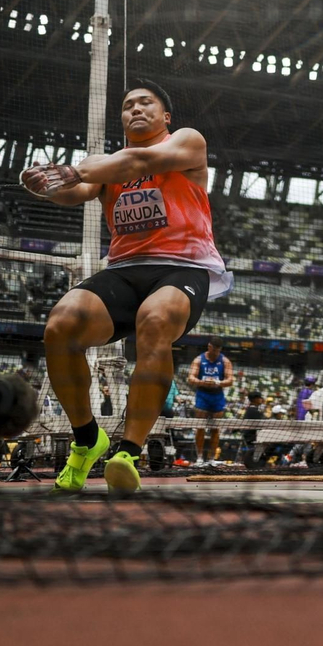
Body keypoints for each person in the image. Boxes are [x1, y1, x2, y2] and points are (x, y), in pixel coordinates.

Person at [24, 79, 231, 494]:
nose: (135, 109)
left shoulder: (187, 142)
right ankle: (87, 440)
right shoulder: (105, 164)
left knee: (154, 320)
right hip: (124, 269)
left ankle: (129, 452)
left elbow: (138, 162)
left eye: (145, 103)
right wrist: (47, 187)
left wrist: (74, 169)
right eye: (128, 105)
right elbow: (78, 192)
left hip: (182, 267)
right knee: (60, 325)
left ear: (165, 116)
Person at [187, 337, 234, 466]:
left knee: (215, 429)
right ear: (209, 347)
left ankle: (212, 458)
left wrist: (217, 382)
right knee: (200, 427)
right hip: (202, 395)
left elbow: (230, 380)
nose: (216, 353)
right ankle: (199, 458)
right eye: (214, 350)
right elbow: (191, 378)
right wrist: (203, 382)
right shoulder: (198, 360)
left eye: (218, 351)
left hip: (217, 396)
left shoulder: (225, 361)